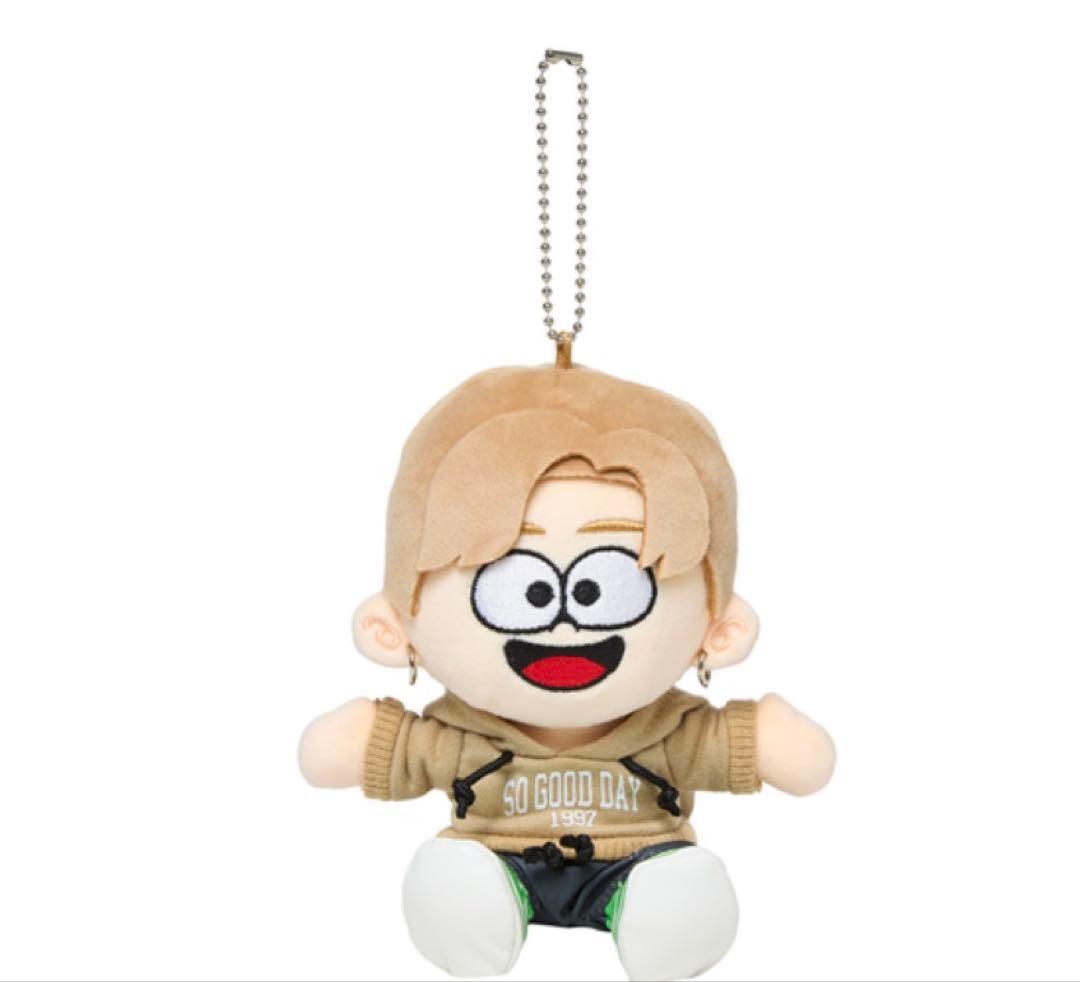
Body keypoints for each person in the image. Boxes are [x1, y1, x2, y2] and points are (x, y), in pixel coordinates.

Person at [300, 363, 835, 981]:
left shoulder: (668, 730)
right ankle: (477, 907)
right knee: (457, 885)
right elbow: (372, 752)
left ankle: (660, 912)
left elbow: (770, 754)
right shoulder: (461, 734)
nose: (561, 626)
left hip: (640, 861)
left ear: (720, 629)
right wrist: (367, 737)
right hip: (493, 858)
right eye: (516, 587)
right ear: (394, 628)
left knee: (676, 897)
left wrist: (766, 737)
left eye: (606, 585)